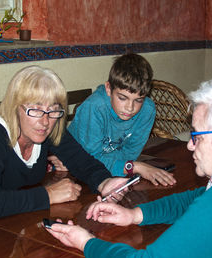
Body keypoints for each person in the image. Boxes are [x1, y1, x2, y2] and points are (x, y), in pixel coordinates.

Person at [46, 75, 212, 258]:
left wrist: (87, 243)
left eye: (197, 136)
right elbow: (198, 199)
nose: (190, 146)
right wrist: (134, 215)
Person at [0, 65, 127, 221]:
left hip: (9, 219)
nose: (45, 121)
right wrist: (48, 195)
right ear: (15, 106)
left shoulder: (48, 125)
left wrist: (105, 182)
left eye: (53, 110)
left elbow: (81, 160)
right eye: (35, 110)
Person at [49, 53, 176, 186]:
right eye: (122, 98)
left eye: (138, 100)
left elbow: (131, 154)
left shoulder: (147, 110)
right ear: (108, 89)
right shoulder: (94, 107)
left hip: (106, 174)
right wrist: (134, 167)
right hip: (69, 171)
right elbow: (89, 161)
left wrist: (121, 164)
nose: (130, 108)